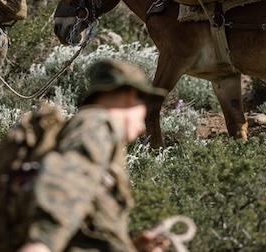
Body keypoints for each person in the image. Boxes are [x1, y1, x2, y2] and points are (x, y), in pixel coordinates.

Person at [17, 59, 171, 252]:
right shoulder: (98, 123)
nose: (142, 125)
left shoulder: (95, 128)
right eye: (145, 105)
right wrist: (40, 244)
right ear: (130, 95)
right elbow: (67, 178)